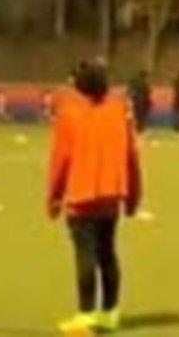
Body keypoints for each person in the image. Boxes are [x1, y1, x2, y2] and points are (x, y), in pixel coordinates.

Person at [48, 60, 142, 334]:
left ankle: (86, 315)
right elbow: (131, 156)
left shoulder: (70, 113)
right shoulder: (118, 111)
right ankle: (110, 312)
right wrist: (133, 196)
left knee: (85, 255)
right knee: (108, 253)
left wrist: (53, 197)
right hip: (111, 196)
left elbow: (60, 160)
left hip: (81, 196)